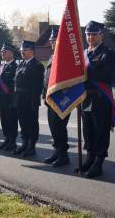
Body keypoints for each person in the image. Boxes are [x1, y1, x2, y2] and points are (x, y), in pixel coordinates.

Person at [80, 21, 115, 178]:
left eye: (94, 34)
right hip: (85, 97)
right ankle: (90, 157)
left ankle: (99, 162)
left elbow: (107, 76)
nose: (90, 37)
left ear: (101, 35)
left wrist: (87, 69)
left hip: (100, 97)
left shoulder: (108, 53)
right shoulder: (83, 53)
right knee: (88, 130)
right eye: (88, 34)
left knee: (101, 131)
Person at [43, 29, 70, 167]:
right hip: (51, 99)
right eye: (51, 40)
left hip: (62, 99)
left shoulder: (65, 57)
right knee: (53, 127)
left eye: (54, 40)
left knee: (60, 127)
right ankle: (57, 151)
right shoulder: (52, 56)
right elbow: (47, 78)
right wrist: (44, 95)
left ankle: (63, 155)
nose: (52, 42)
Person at [13, 40, 44, 157]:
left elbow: (37, 86)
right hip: (20, 99)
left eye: (24, 50)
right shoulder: (21, 64)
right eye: (21, 50)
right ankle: (25, 143)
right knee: (23, 122)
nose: (22, 52)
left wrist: (33, 102)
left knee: (31, 123)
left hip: (30, 99)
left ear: (32, 51)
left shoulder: (37, 65)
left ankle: (31, 146)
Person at [0, 43, 18, 151]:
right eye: (1, 52)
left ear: (11, 53)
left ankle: (12, 141)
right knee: (4, 120)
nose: (2, 53)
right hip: (1, 99)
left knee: (11, 121)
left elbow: (13, 85)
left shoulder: (15, 66)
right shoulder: (1, 66)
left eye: (4, 52)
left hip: (10, 99)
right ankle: (7, 139)